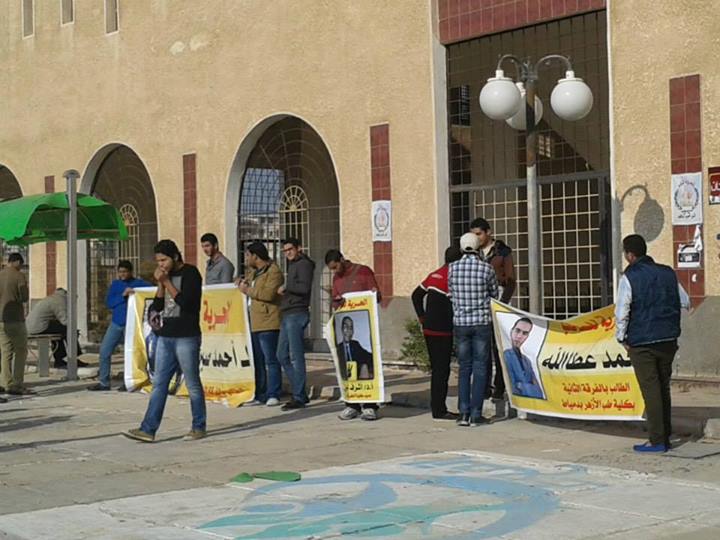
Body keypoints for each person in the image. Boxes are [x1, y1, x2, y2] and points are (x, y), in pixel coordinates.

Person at [124, 240, 206, 442]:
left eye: (164, 260)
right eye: (158, 261)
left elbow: (187, 303)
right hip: (166, 336)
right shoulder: (164, 277)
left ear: (175, 257)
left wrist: (168, 282)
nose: (161, 264)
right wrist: (160, 285)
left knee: (192, 383)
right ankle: (148, 429)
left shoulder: (190, 273)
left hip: (186, 336)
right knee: (159, 383)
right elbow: (159, 305)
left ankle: (198, 426)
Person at [615, 234, 691, 453]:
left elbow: (622, 312)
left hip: (642, 342)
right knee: (663, 388)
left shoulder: (630, 277)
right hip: (668, 339)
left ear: (630, 255)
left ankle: (657, 440)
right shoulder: (668, 273)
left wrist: (621, 338)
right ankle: (665, 435)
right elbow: (685, 301)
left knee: (651, 391)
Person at [448, 233, 499, 427]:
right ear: (478, 248)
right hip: (481, 323)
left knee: (464, 368)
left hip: (461, 323)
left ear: (462, 248)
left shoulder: (452, 268)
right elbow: (494, 294)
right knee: (480, 368)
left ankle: (463, 413)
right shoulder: (486, 269)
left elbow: (451, 293)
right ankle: (476, 414)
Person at [325, 249, 381, 421]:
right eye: (331, 269)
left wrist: (373, 294)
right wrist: (335, 301)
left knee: (366, 367)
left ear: (342, 260)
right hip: (346, 319)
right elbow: (335, 302)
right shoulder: (336, 278)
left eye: (335, 267)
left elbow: (377, 296)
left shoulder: (363, 271)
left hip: (363, 321)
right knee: (347, 369)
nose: (335, 271)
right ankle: (352, 405)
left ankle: (370, 405)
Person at [411, 246, 462, 420]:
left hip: (429, 329)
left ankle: (437, 407)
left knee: (437, 369)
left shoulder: (435, 274)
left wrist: (422, 317)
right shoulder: (453, 276)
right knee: (442, 371)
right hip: (443, 331)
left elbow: (416, 295)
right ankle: (439, 410)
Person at [470, 217, 516, 400]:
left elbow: (511, 279)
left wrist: (502, 303)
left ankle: (500, 386)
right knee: (482, 347)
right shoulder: (473, 253)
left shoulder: (502, 251)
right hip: (480, 302)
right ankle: (484, 386)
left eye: (479, 234)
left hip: (499, 300)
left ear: (488, 232)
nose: (477, 238)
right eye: (474, 235)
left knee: (499, 346)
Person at [88, 260, 150, 391]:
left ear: (130, 272)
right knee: (105, 351)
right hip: (116, 323)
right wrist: (123, 296)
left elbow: (151, 291)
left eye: (125, 272)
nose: (122, 274)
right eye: (120, 272)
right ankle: (104, 382)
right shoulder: (115, 285)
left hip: (131, 325)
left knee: (130, 354)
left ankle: (129, 382)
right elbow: (109, 303)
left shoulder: (139, 284)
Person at [236, 242, 284, 407]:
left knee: (271, 359)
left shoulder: (273, 271)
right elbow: (247, 286)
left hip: (268, 321)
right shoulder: (253, 273)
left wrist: (247, 290)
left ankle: (274, 393)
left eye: (248, 255)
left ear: (255, 256)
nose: (246, 258)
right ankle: (260, 394)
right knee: (258, 360)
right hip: (254, 321)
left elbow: (268, 294)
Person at [276, 238, 315, 411]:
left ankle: (298, 396)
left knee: (295, 356)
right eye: (285, 251)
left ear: (298, 248)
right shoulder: (293, 265)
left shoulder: (304, 264)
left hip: (297, 312)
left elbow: (304, 288)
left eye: (290, 249)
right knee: (281, 355)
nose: (288, 253)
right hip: (288, 313)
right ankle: (300, 390)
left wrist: (286, 287)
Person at [26, 288, 85, 369]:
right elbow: (65, 321)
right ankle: (75, 357)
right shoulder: (60, 302)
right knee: (70, 331)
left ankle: (60, 360)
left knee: (59, 334)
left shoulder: (54, 298)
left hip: (32, 326)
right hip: (39, 326)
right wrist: (75, 330)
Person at [0, 253, 29, 396]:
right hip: (16, 319)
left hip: (1, 320)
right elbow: (24, 297)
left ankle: (5, 382)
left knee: (5, 351)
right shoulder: (19, 276)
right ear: (17, 262)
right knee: (21, 351)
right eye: (21, 264)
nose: (21, 267)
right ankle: (17, 384)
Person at [503, 318, 543, 399]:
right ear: (511, 331)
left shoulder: (527, 361)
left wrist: (521, 386)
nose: (519, 336)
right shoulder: (505, 355)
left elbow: (539, 393)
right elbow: (512, 387)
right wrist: (529, 387)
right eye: (517, 331)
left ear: (527, 336)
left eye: (524, 333)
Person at [336, 316, 374, 380]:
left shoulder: (355, 344)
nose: (348, 331)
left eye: (351, 328)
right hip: (344, 377)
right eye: (346, 327)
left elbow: (367, 356)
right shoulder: (338, 348)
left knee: (364, 366)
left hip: (357, 376)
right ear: (342, 329)